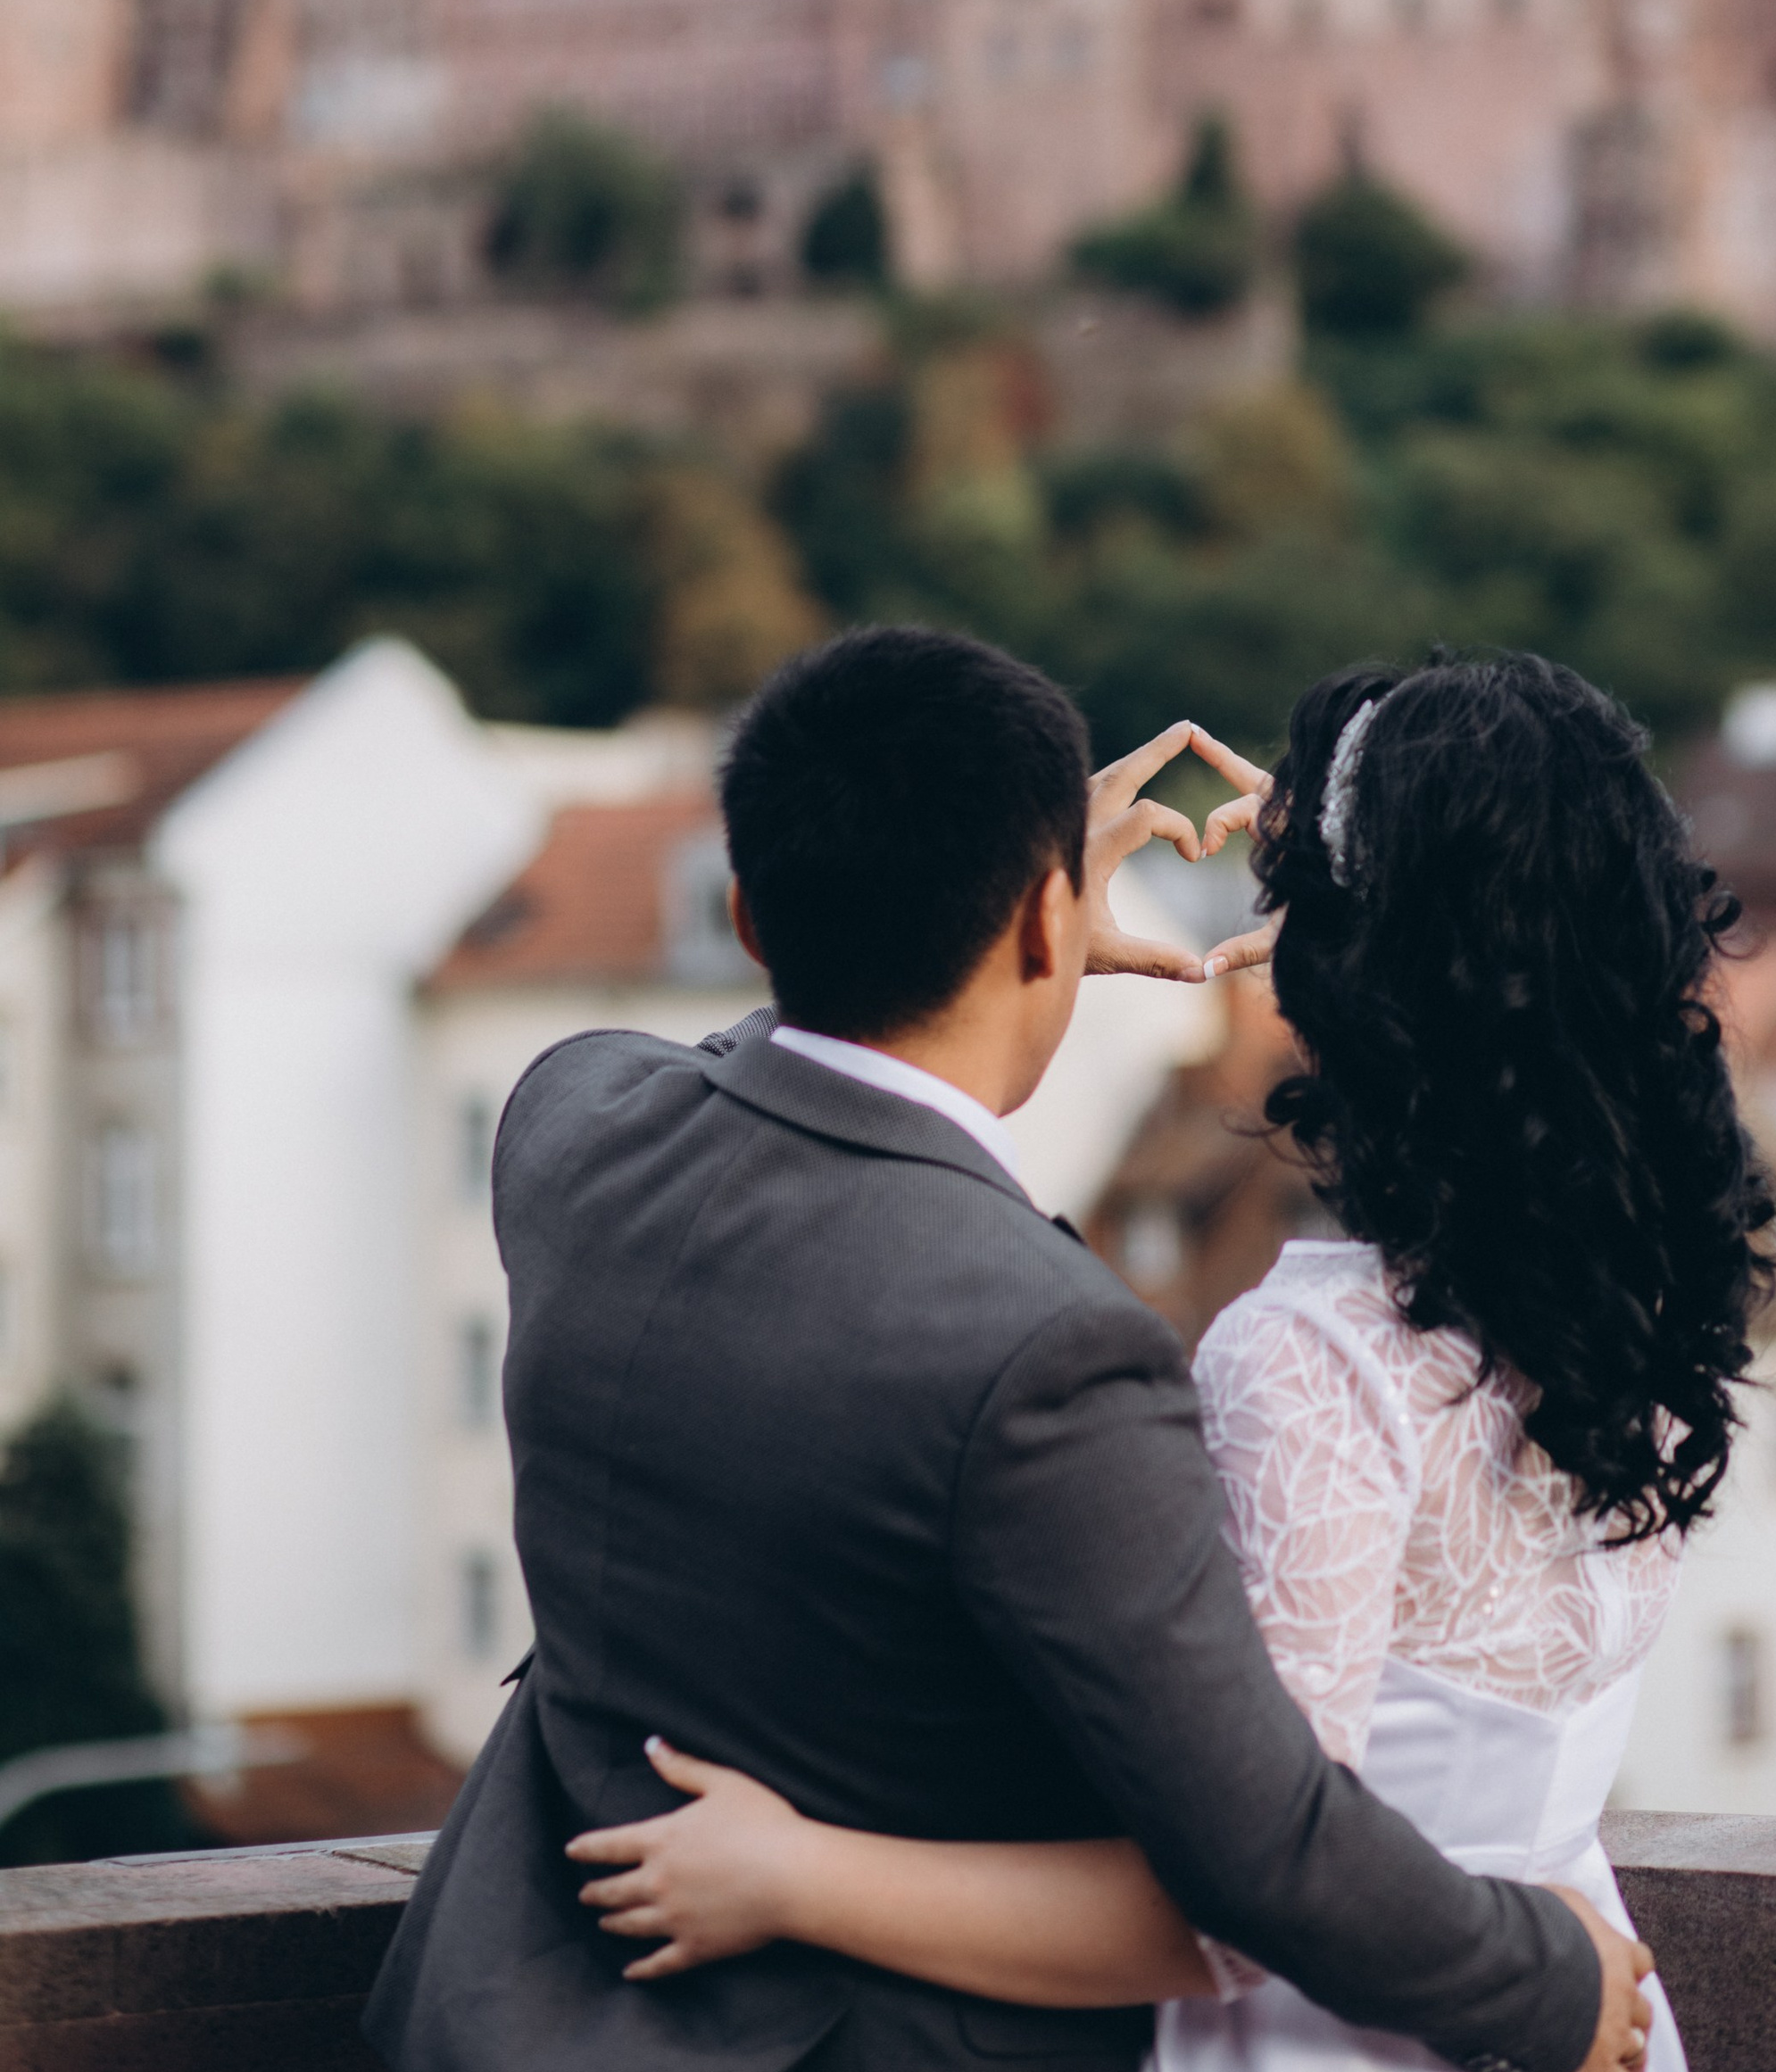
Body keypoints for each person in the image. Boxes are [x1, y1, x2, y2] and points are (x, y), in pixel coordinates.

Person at [366, 628, 1654, 2072]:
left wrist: (912, 925)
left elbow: (738, 1048)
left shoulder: (570, 1129)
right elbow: (1259, 1851)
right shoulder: (1052, 1351)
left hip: (482, 2015)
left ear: (744, 917)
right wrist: (1554, 1983)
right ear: (1057, 924)